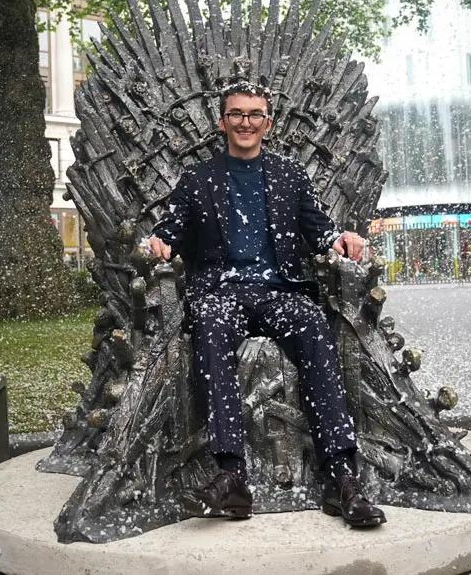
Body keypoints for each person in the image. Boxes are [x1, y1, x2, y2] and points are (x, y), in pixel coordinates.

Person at [147, 81, 386, 528]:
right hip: (221, 292)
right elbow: (171, 228)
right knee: (210, 324)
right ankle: (231, 475)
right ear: (222, 122)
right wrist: (160, 243)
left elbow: (319, 229)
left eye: (255, 114)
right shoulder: (198, 180)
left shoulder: (289, 176)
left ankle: (340, 476)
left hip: (279, 293)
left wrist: (340, 239)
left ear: (268, 123)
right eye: (236, 114)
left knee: (313, 324)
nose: (245, 122)